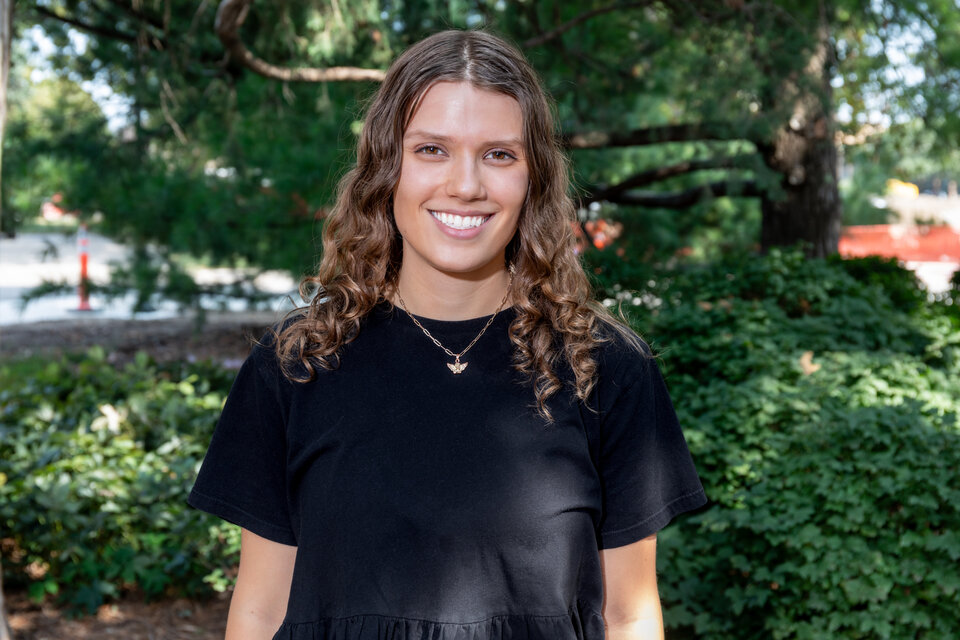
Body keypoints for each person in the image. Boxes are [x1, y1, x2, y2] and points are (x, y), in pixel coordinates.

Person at [188, 29, 706, 640]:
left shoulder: (606, 367)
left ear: (533, 180)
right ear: (387, 168)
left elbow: (630, 614)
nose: (466, 185)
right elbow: (259, 611)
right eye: (432, 149)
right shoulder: (295, 365)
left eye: (499, 154)